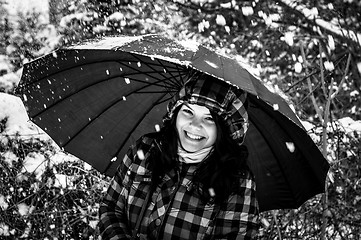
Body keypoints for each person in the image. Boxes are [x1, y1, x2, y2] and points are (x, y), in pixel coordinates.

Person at [98, 72, 260, 239]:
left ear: (225, 129)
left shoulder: (237, 179)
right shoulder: (145, 149)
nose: (195, 126)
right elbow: (110, 208)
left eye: (209, 118)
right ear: (175, 113)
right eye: (188, 112)